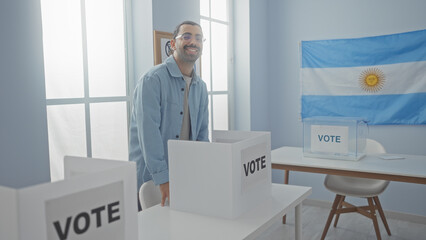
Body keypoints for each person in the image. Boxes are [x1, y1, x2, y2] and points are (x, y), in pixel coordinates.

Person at [129, 20, 209, 208]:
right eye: (186, 36)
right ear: (173, 44)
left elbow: (202, 136)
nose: (193, 42)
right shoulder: (152, 80)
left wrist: (204, 169)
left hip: (184, 174)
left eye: (198, 38)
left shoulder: (201, 87)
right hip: (151, 179)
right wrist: (163, 179)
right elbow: (149, 135)